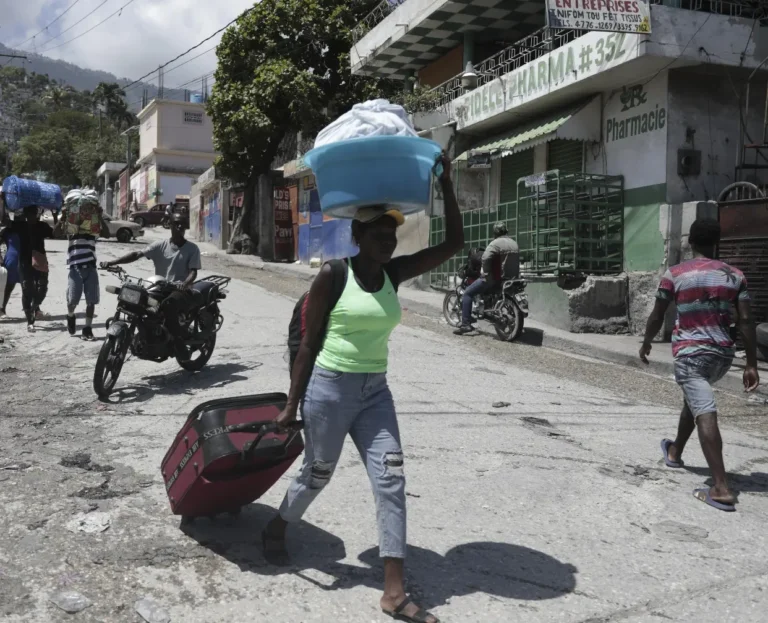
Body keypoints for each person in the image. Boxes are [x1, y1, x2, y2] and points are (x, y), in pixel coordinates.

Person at [263, 153, 462, 623]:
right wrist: (291, 404)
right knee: (317, 473)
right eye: (379, 234)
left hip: (376, 391)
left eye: (392, 234)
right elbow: (309, 344)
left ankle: (394, 593)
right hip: (329, 389)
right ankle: (277, 526)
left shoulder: (393, 274)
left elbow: (453, 242)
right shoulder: (334, 274)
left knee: (391, 479)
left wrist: (447, 184)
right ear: (358, 237)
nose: (388, 241)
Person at [640, 218, 760, 512]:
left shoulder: (675, 273)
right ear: (716, 242)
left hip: (691, 354)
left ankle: (720, 487)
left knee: (704, 410)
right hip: (722, 356)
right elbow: (745, 320)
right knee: (693, 399)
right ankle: (675, 450)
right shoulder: (734, 275)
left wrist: (646, 341)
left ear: (689, 242)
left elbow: (658, 314)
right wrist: (751, 364)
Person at [102, 213, 201, 356]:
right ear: (170, 225)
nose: (179, 227)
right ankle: (148, 336)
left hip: (180, 289)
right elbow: (137, 254)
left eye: (182, 224)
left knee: (169, 305)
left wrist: (185, 283)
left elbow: (193, 272)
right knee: (141, 302)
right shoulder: (160, 245)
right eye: (176, 223)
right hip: (160, 286)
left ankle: (179, 343)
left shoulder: (192, 249)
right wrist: (112, 262)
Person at [57, 203, 111, 341]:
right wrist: (63, 217)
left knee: (91, 301)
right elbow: (55, 234)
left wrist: (99, 216)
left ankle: (87, 328)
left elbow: (107, 234)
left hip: (91, 269)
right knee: (73, 300)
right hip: (75, 270)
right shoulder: (71, 232)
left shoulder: (92, 232)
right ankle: (70, 315)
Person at [454, 221, 519, 335]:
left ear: (495, 232)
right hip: (511, 278)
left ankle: (466, 325)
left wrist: (485, 270)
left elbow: (485, 257)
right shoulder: (514, 243)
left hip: (495, 278)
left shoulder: (495, 243)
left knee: (468, 293)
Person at [7, 206, 54, 331]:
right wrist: (4, 205)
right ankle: (30, 321)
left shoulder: (42, 226)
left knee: (42, 289)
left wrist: (56, 214)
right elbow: (5, 221)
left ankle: (34, 307)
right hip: (24, 262)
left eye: (33, 213)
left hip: (40, 260)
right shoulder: (20, 225)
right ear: (26, 214)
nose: (31, 216)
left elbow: (55, 233)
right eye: (29, 213)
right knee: (27, 290)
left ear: (36, 214)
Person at [0, 213, 22, 318]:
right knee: (8, 287)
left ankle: (36, 310)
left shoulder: (26, 230)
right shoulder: (6, 232)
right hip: (11, 262)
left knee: (29, 287)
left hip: (24, 261)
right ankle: (2, 309)